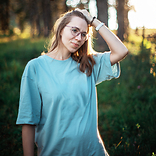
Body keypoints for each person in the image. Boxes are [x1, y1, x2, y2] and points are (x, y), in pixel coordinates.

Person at [16, 8, 128, 156]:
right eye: (74, 30)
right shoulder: (36, 67)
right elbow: (28, 121)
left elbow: (121, 51)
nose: (78, 38)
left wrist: (94, 21)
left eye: (83, 34)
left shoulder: (88, 64)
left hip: (93, 152)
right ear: (61, 29)